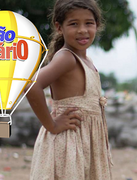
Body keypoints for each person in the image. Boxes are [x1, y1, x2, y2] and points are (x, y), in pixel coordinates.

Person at [24, 0, 113, 179]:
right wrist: (52, 124)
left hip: (86, 144)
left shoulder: (86, 61)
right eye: (73, 24)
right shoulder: (66, 58)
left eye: (89, 23)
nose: (82, 30)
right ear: (59, 27)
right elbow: (32, 85)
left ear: (97, 25)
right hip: (68, 144)